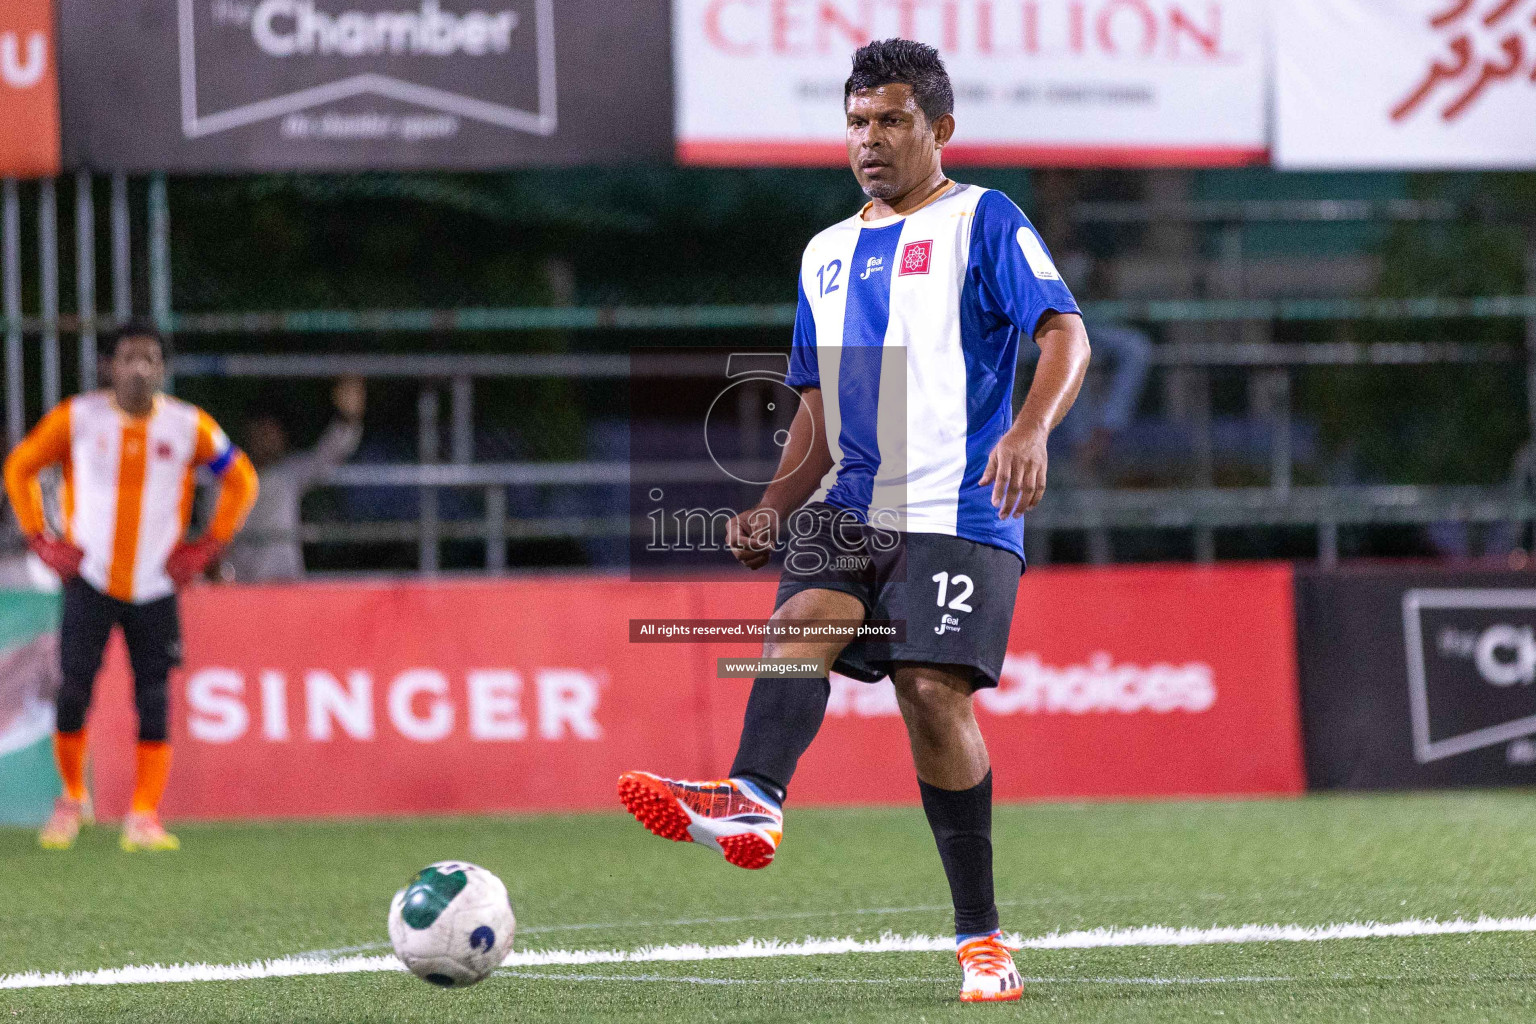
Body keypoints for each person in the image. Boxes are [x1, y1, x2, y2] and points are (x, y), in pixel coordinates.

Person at [617, 39, 1090, 1004]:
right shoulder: (824, 253)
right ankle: (752, 802)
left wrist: (1033, 429)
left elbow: (1064, 330)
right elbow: (818, 407)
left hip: (959, 497)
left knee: (928, 691)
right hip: (852, 500)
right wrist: (771, 504)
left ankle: (982, 940)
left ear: (940, 129)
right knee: (799, 626)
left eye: (890, 121)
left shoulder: (983, 220)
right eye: (855, 124)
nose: (867, 141)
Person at [2, 324, 259, 852]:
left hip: (155, 584)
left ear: (162, 368)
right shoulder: (79, 417)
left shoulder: (189, 425)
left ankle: (144, 815)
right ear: (108, 366)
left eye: (149, 358)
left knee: (155, 699)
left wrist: (208, 547)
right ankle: (72, 798)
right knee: (71, 693)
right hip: (91, 579)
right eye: (128, 358)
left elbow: (243, 481)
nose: (138, 368)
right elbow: (20, 467)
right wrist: (39, 539)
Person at [223, 376, 365, 582]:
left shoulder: (289, 473)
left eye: (273, 431)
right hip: (241, 590)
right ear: (249, 431)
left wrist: (348, 417)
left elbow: (331, 452)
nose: (268, 438)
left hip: (286, 586)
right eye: (262, 430)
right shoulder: (225, 479)